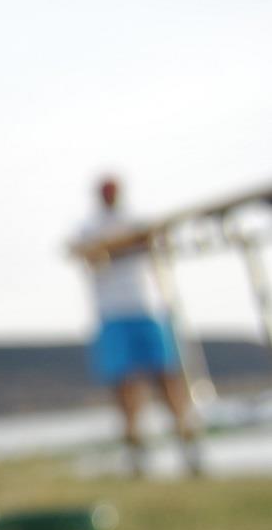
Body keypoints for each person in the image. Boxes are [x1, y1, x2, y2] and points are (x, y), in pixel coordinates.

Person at [72, 176, 202, 476]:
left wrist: (124, 244)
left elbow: (158, 241)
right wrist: (117, 245)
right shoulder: (88, 226)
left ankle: (190, 451)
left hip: (148, 309)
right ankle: (137, 458)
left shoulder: (139, 219)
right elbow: (81, 252)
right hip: (112, 315)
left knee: (169, 379)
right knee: (125, 388)